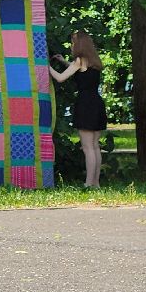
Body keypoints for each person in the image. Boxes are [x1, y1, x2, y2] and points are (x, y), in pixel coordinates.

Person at [51, 32, 107, 188]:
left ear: (79, 44)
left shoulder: (79, 60)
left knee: (87, 147)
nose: (71, 45)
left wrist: (45, 66)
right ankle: (96, 183)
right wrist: (64, 61)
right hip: (97, 103)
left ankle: (88, 183)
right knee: (95, 146)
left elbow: (60, 78)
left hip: (85, 104)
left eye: (73, 42)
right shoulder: (94, 61)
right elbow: (79, 70)